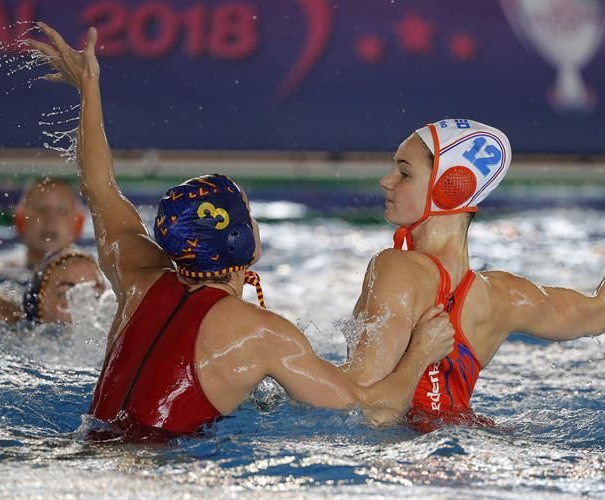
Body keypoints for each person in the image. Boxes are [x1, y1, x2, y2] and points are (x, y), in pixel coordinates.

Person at [29, 22, 455, 439]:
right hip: (153, 474)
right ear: (240, 241)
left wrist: (89, 88)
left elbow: (98, 186)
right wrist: (421, 353)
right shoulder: (263, 333)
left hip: (84, 446)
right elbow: (372, 411)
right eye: (248, 214)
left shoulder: (136, 274)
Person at [344, 119, 605, 430]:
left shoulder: (395, 268)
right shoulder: (502, 298)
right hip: (471, 441)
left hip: (400, 458)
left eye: (404, 173)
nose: (386, 181)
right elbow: (601, 312)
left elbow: (365, 409)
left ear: (451, 186)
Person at [0, 247, 105, 325]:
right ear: (40, 304)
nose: (85, 306)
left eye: (96, 295)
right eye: (66, 295)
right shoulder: (11, 327)